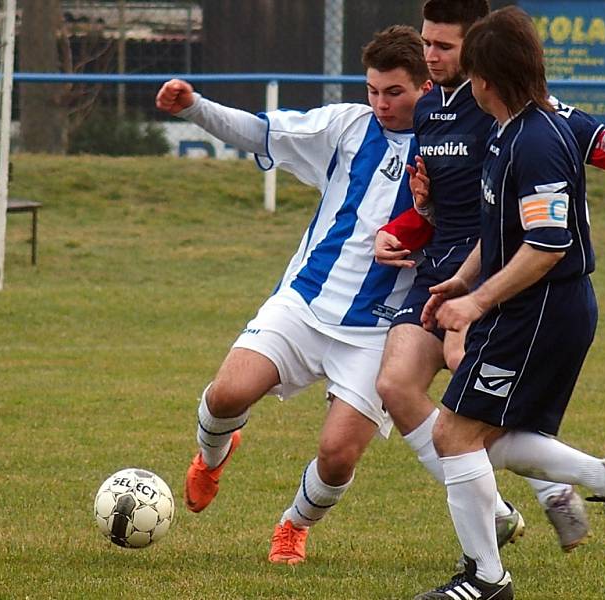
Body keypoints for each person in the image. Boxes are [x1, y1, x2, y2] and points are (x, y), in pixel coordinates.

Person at [374, 0, 605, 554]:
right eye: (425, 42)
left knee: (463, 422)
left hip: (519, 289)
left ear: (479, 60)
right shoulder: (437, 111)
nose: (429, 55)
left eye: (443, 46)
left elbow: (589, 149)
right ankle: (574, 488)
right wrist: (416, 228)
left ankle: (499, 549)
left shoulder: (531, 124)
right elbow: (459, 205)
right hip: (461, 270)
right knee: (412, 395)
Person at [154, 26, 433, 566]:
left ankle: (293, 526)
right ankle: (212, 457)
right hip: (305, 303)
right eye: (373, 90)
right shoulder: (347, 126)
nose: (380, 103)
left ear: (425, 85)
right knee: (226, 395)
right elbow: (259, 133)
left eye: (393, 92)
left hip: (378, 330)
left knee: (337, 455)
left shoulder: (451, 147)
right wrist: (193, 107)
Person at [414, 8, 605, 598]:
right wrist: (462, 282)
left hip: (540, 308)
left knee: (453, 435)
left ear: (487, 81)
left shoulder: (538, 142)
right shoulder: (509, 130)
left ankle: (485, 579)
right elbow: (500, 231)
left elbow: (547, 247)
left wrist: (475, 306)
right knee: (492, 439)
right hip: (535, 306)